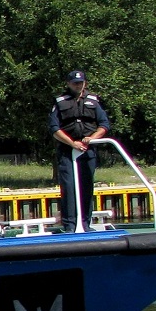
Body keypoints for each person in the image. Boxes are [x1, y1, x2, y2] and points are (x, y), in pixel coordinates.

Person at [48, 70, 110, 232]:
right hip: (67, 151)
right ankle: (70, 226)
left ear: (85, 83)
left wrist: (92, 138)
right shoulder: (60, 101)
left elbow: (104, 125)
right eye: (75, 83)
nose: (78, 85)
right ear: (68, 84)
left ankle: (85, 224)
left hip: (88, 151)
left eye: (80, 83)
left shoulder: (94, 101)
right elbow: (54, 128)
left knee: (86, 186)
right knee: (68, 187)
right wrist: (72, 143)